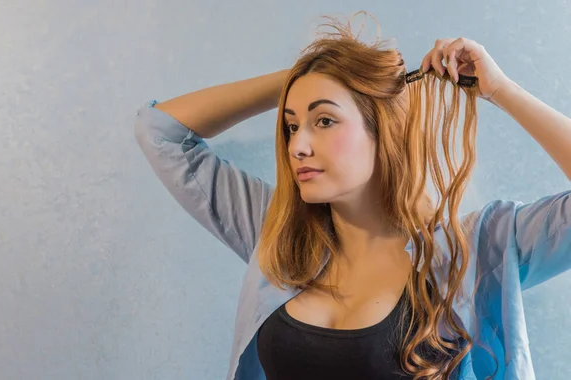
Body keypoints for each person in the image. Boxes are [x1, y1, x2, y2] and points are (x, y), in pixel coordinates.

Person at [134, 13, 571, 380]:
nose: (297, 146)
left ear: (381, 130)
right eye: (291, 125)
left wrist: (500, 90)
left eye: (323, 121)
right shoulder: (276, 234)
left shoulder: (472, 251)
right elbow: (161, 133)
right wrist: (303, 78)